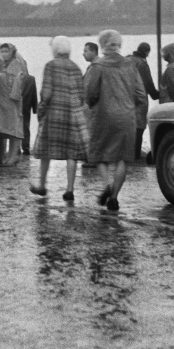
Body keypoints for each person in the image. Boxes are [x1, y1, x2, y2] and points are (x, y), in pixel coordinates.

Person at [85, 29, 145, 212]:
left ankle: (108, 183)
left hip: (104, 115)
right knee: (122, 158)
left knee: (98, 153)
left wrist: (94, 103)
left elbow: (89, 93)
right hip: (127, 117)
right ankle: (114, 198)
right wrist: (129, 105)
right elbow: (141, 94)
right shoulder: (130, 65)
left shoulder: (97, 66)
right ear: (119, 45)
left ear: (102, 46)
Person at [31, 36, 89, 202]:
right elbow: (81, 95)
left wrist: (41, 110)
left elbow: (46, 92)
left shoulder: (51, 66)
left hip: (54, 114)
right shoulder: (76, 67)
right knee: (72, 153)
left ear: (55, 50)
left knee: (45, 151)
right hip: (73, 114)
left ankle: (42, 185)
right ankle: (69, 190)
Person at [0, 43, 24, 166]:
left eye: (7, 51)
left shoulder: (17, 64)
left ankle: (14, 155)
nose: (4, 54)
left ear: (12, 52)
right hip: (4, 101)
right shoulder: (4, 64)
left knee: (15, 128)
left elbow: (18, 80)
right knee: (9, 128)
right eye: (3, 52)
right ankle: (10, 154)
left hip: (13, 100)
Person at [129, 42, 159, 162]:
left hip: (126, 99)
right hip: (140, 99)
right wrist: (156, 95)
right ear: (146, 52)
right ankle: (135, 155)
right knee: (139, 127)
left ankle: (128, 153)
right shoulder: (142, 63)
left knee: (130, 127)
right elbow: (148, 82)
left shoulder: (128, 60)